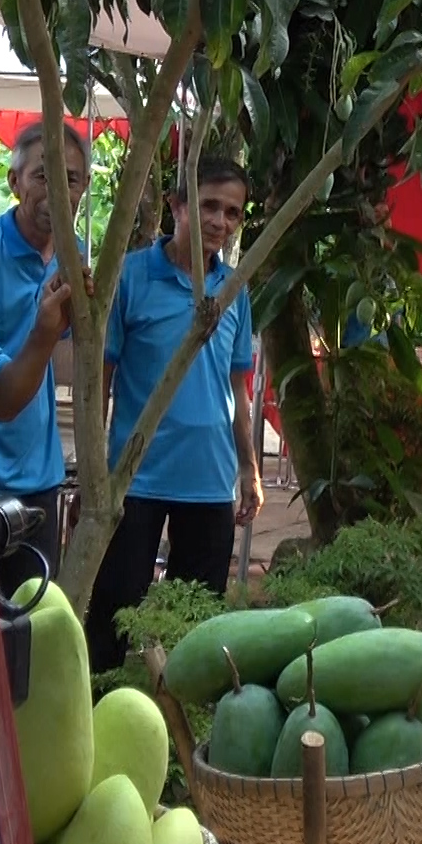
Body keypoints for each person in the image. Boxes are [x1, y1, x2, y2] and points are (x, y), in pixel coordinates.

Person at [86, 158, 262, 673]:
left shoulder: (234, 289)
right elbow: (101, 377)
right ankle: (100, 717)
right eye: (208, 205)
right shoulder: (132, 275)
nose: (219, 222)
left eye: (232, 213)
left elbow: (238, 387)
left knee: (197, 629)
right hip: (135, 480)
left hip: (208, 481)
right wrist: (95, 474)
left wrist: (247, 466)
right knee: (114, 619)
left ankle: (183, 738)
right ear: (177, 204)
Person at [0, 121, 90, 598]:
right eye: (42, 177)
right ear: (14, 182)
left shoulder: (75, 257)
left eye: (69, 179)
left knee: (32, 624)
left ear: (85, 187)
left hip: (39, 477)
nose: (57, 192)